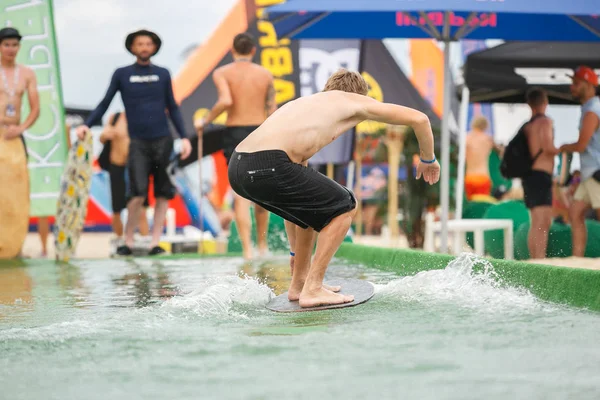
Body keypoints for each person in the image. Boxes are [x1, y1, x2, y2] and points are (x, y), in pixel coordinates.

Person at [228, 69, 440, 308]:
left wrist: (295, 254)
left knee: (313, 211)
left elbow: (298, 210)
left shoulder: (304, 106)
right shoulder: (352, 100)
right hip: (268, 164)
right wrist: (427, 159)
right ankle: (314, 288)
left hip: (238, 167)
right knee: (345, 206)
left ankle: (300, 285)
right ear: (358, 95)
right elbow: (419, 119)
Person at [76, 29, 192, 256]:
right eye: (140, 44)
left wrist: (185, 137)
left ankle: (155, 242)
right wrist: (86, 125)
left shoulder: (163, 73)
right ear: (132, 47)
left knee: (162, 193)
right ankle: (127, 240)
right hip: (138, 142)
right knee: (137, 192)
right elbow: (105, 102)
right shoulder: (122, 74)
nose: (144, 47)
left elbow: (173, 107)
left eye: (148, 44)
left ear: (154, 47)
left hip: (163, 141)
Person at [194, 33, 275, 260]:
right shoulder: (265, 74)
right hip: (262, 131)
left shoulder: (222, 73)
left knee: (241, 193)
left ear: (233, 51)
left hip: (236, 132)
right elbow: (273, 110)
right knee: (262, 190)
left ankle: (248, 251)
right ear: (252, 51)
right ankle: (262, 247)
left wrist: (206, 120)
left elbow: (226, 101)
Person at [0, 27, 40, 258]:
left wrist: (20, 128)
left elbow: (35, 108)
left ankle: (14, 247)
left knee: (17, 192)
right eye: (6, 45)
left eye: (14, 45)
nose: (11, 49)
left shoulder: (26, 73)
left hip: (14, 136)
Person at [559, 66, 600, 257]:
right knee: (575, 213)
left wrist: (563, 147)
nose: (572, 87)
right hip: (589, 173)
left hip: (596, 171)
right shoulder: (589, 108)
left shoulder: (593, 109)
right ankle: (577, 259)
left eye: (576, 83)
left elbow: (582, 145)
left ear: (589, 85)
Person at [98, 112, 150, 241]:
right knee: (117, 210)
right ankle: (120, 240)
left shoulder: (141, 117)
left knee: (142, 208)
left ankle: (145, 242)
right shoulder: (115, 118)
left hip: (136, 168)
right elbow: (102, 138)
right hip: (117, 166)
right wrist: (106, 135)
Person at [521, 87, 559, 259]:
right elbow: (548, 147)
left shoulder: (529, 125)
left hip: (530, 176)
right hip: (541, 175)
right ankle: (539, 258)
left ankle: (535, 258)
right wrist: (565, 149)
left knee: (535, 221)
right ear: (545, 102)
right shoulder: (545, 122)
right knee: (542, 221)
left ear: (529, 104)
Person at [465, 115, 500, 201]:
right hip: (483, 177)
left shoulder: (467, 139)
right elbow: (500, 152)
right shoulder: (488, 140)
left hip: (470, 177)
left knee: (472, 207)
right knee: (481, 207)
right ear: (485, 126)